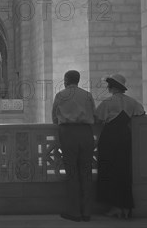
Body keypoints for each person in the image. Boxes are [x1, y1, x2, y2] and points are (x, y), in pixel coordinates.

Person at [95, 73, 145, 219]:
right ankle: (125, 206)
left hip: (109, 139)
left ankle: (115, 207)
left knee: (109, 172)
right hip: (125, 138)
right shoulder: (132, 102)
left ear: (112, 87)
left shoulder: (108, 102)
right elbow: (141, 113)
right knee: (123, 172)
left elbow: (98, 118)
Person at [52, 70, 96, 222]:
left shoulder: (60, 95)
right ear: (78, 80)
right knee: (86, 171)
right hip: (86, 133)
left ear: (65, 80)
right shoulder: (87, 95)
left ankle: (74, 212)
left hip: (68, 133)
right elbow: (94, 114)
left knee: (72, 172)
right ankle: (87, 212)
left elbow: (54, 117)